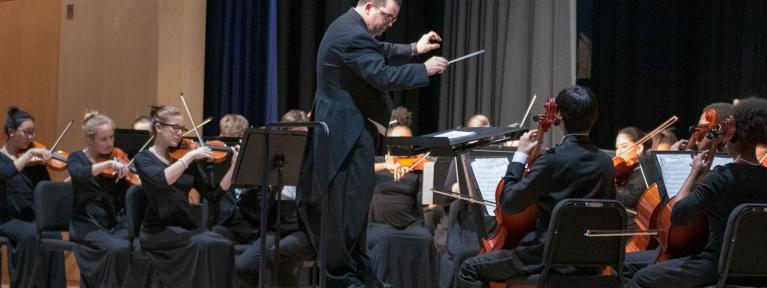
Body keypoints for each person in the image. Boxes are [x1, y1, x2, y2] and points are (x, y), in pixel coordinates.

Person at [297, 0, 447, 286]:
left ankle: (360, 278)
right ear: (368, 6)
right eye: (388, 18)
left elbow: (381, 50)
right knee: (345, 217)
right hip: (345, 139)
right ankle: (344, 280)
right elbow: (382, 74)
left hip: (349, 133)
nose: (389, 25)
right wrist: (424, 70)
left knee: (352, 218)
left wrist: (415, 49)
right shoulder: (352, 34)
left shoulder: (351, 28)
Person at [457, 85, 616, 287]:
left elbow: (509, 203)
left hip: (545, 259)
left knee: (469, 268)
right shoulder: (606, 163)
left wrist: (520, 155)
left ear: (559, 116)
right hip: (591, 262)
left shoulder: (552, 160)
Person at [625, 97, 767, 287]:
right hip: (755, 267)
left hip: (714, 265)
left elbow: (678, 214)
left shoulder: (723, 176)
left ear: (732, 134)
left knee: (641, 279)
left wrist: (694, 174)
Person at [133, 105, 238, 287]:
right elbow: (162, 180)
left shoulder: (185, 156)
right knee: (205, 245)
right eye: (175, 128)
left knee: (223, 245)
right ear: (158, 127)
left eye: (182, 128)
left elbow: (212, 194)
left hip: (184, 226)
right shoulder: (144, 159)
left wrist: (233, 168)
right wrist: (190, 157)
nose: (180, 133)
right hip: (157, 230)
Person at [67, 111, 136, 287]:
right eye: (103, 139)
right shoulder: (77, 158)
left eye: (111, 137)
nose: (109, 143)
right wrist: (107, 164)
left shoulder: (118, 157)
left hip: (114, 222)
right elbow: (78, 173)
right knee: (116, 249)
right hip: (87, 224)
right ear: (90, 140)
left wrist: (130, 176)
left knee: (136, 247)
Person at [0, 106, 66, 288]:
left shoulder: (35, 161)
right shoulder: (3, 159)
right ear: (12, 132)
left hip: (32, 217)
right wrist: (29, 154)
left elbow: (44, 188)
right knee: (30, 235)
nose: (32, 137)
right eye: (27, 132)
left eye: (33, 132)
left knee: (54, 234)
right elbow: (7, 172)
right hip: (7, 219)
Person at [437, 114, 492, 288]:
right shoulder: (461, 157)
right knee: (463, 253)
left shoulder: (499, 155)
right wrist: (459, 187)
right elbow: (445, 196)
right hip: (468, 223)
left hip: (492, 221)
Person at [614, 126, 653, 228]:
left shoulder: (643, 170)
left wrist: (607, 183)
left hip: (634, 226)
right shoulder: (629, 170)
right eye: (617, 148)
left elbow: (626, 199)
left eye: (624, 146)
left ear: (639, 148)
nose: (618, 152)